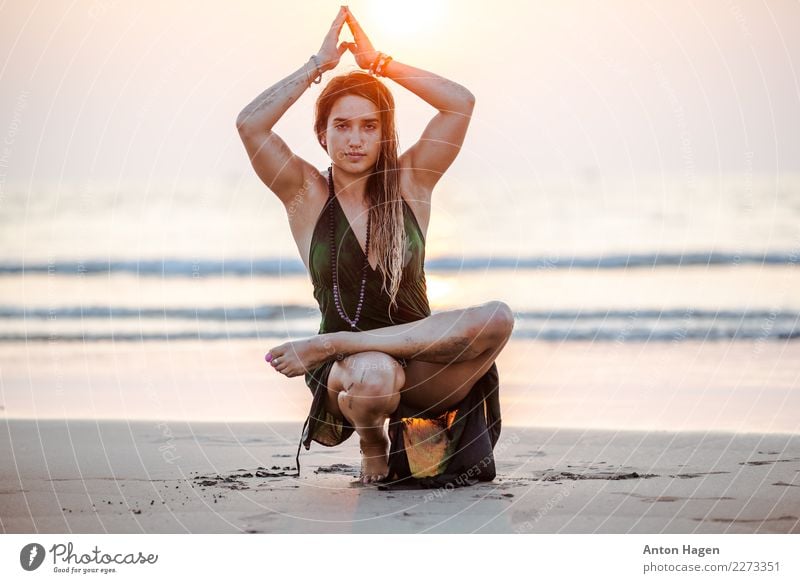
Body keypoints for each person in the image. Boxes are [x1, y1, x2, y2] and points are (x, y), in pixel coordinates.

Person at [236, 6, 514, 485]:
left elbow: (459, 103)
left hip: (421, 364)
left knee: (498, 317)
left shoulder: (411, 181)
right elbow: (250, 125)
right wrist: (317, 66)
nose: (355, 139)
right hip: (354, 377)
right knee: (375, 372)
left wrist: (380, 64)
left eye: (369, 126)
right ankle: (373, 442)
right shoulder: (305, 194)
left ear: (385, 133)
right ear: (321, 135)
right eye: (341, 126)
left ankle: (332, 344)